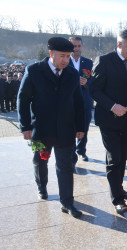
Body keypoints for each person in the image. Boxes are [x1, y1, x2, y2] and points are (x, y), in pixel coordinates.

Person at [17, 37, 85, 218]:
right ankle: (42, 187)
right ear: (51, 54)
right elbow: (23, 100)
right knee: (41, 160)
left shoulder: (71, 74)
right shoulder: (34, 71)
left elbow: (78, 102)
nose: (65, 60)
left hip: (65, 130)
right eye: (62, 56)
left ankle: (67, 202)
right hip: (41, 130)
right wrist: (25, 126)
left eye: (68, 56)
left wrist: (80, 126)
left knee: (66, 165)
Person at [89, 29, 127, 214]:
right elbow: (94, 90)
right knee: (114, 158)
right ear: (119, 44)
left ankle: (119, 187)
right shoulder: (104, 61)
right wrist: (112, 105)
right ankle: (117, 199)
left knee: (123, 157)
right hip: (109, 119)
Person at [69, 36, 94, 165]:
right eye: (74, 46)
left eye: (79, 46)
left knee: (84, 128)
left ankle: (81, 150)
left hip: (85, 102)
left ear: (82, 47)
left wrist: (87, 82)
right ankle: (72, 155)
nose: (76, 49)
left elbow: (94, 80)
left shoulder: (88, 62)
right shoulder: (65, 61)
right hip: (70, 104)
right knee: (71, 130)